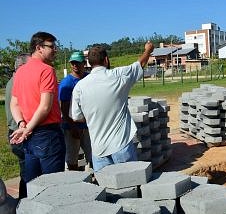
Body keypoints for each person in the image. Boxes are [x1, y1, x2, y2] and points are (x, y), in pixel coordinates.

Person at [71, 41, 154, 172]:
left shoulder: (79, 87)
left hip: (98, 150)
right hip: (121, 145)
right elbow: (140, 64)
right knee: (130, 184)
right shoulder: (118, 76)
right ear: (106, 59)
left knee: (106, 189)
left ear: (89, 63)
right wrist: (148, 50)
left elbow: (76, 117)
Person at [10, 31, 66, 185]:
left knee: (33, 184)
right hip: (47, 134)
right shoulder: (46, 70)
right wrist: (27, 128)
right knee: (53, 185)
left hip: (29, 136)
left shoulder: (20, 71)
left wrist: (22, 124)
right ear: (39, 47)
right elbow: (45, 106)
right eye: (52, 46)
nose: (55, 50)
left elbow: (14, 104)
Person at [58, 51, 92, 171]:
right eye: (73, 63)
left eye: (77, 63)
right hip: (72, 126)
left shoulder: (89, 78)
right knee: (72, 158)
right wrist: (72, 127)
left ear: (84, 63)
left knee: (93, 155)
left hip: (88, 125)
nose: (75, 66)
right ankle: (74, 181)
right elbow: (63, 108)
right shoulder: (67, 84)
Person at [5, 53, 31, 199]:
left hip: (15, 132)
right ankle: (25, 204)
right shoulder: (18, 83)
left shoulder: (12, 81)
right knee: (27, 174)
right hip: (19, 134)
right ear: (22, 67)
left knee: (25, 172)